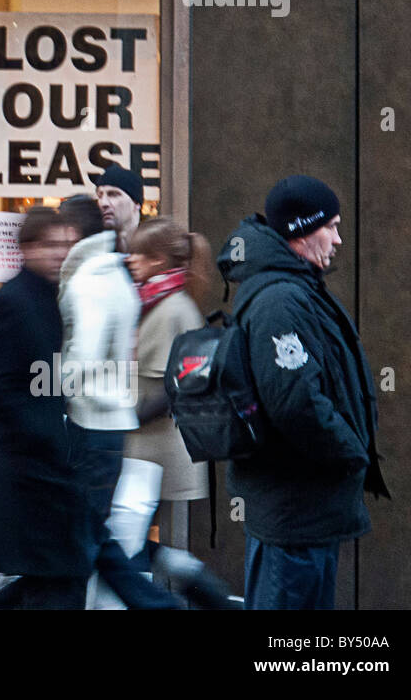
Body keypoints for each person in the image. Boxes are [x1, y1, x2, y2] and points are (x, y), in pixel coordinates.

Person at [218, 176, 388, 610]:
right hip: (296, 513)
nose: (338, 238)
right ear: (299, 232)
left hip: (303, 509)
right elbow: (295, 403)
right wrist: (352, 451)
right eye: (329, 226)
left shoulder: (296, 289)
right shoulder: (281, 301)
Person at [58, 195, 180, 609]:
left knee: (83, 539)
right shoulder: (115, 275)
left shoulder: (90, 279)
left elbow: (85, 358)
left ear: (71, 234)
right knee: (92, 536)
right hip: (111, 425)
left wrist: (58, 390)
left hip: (91, 425)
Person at [0, 207, 88, 609]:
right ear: (27, 249)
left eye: (66, 245)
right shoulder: (14, 300)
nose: (61, 254)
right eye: (51, 245)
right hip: (28, 466)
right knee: (52, 578)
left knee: (53, 578)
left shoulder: (48, 296)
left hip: (45, 463)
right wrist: (43, 432)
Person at [124, 217, 235, 609]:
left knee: (124, 541)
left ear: (158, 261)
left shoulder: (173, 308)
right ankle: (198, 588)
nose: (131, 261)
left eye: (139, 254)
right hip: (146, 445)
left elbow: (177, 386)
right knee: (128, 540)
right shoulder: (156, 300)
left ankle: (209, 595)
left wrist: (122, 416)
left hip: (156, 446)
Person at [95, 164, 144, 253]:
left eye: (113, 194)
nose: (104, 203)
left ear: (136, 202)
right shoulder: (95, 250)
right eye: (100, 196)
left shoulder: (156, 248)